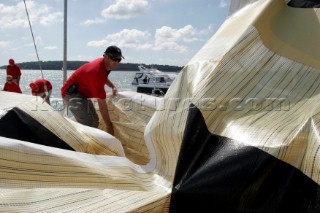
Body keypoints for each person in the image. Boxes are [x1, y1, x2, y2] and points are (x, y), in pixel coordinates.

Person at [61, 45, 124, 135]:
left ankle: (85, 140)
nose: (116, 62)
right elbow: (102, 104)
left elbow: (103, 77)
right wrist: (109, 126)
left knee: (95, 121)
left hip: (81, 93)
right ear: (105, 56)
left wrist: (112, 86)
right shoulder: (96, 71)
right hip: (71, 94)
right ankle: (77, 143)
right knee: (89, 123)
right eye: (114, 58)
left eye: (119, 59)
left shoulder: (104, 65)